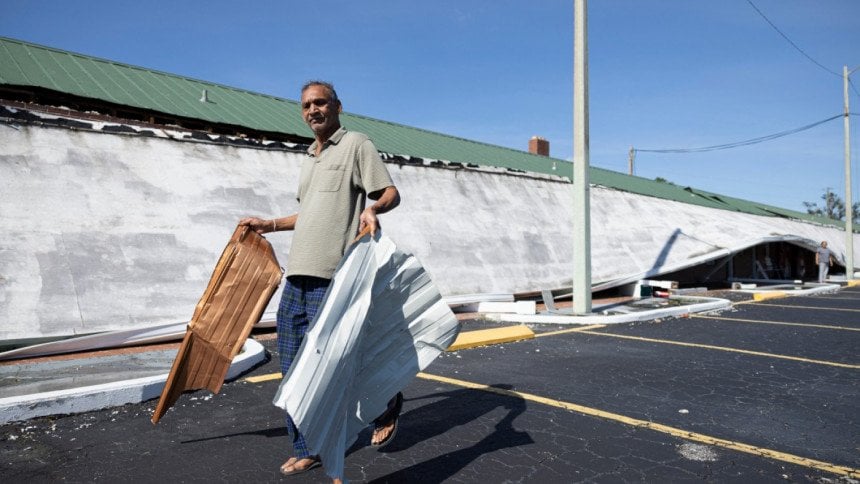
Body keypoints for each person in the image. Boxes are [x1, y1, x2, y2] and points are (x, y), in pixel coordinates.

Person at [239, 81, 402, 479]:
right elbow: (309, 213)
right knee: (293, 369)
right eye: (307, 105)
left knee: (340, 364)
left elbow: (391, 192)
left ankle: (385, 404)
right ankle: (307, 447)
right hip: (297, 277)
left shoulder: (356, 145)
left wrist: (373, 207)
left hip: (334, 276)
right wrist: (270, 224)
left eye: (321, 103)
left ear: (337, 106)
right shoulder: (308, 159)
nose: (313, 110)